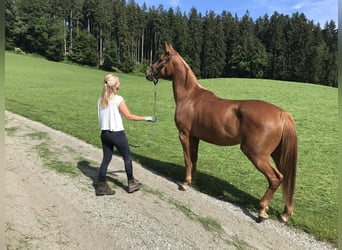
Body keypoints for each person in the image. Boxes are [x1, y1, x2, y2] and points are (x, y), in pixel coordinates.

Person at [96, 73, 156, 196]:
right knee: (127, 158)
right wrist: (147, 118)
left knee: (106, 159)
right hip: (117, 134)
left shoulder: (101, 99)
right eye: (118, 81)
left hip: (105, 134)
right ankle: (131, 183)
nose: (120, 83)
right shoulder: (118, 99)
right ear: (114, 85)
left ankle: (101, 185)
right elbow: (129, 116)